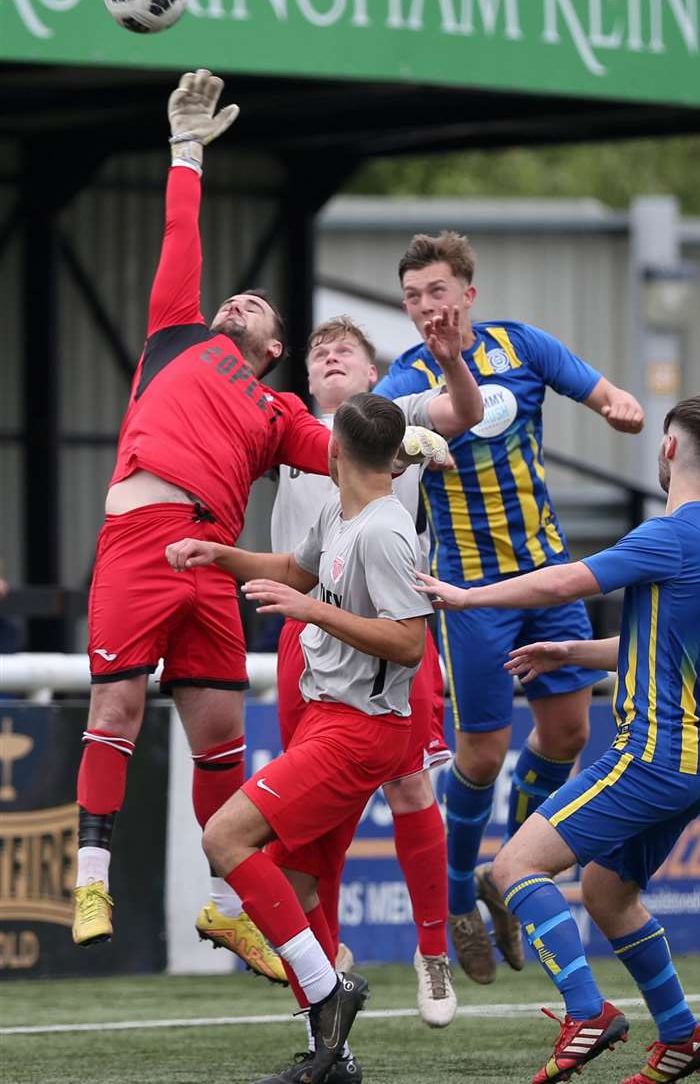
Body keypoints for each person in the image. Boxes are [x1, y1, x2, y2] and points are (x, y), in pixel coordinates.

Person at [71, 69, 323, 979]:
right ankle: (91, 874)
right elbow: (182, 240)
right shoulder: (179, 334)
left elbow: (350, 453)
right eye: (234, 298)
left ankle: (225, 909)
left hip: (212, 562)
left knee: (222, 735)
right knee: (120, 706)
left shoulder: (281, 412)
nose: (237, 301)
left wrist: (419, 430)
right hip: (140, 542)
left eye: (255, 305)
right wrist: (186, 152)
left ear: (275, 347)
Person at [416, 395, 700, 1084]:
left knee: (512, 871)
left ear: (666, 450)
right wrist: (570, 651)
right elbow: (655, 643)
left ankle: (587, 1011)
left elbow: (567, 578)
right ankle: (683, 1034)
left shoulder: (672, 533)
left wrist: (471, 596)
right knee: (607, 894)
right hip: (698, 759)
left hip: (651, 755)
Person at [374, 230, 645, 983]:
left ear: (468, 292)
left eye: (437, 292)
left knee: (566, 732)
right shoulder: (405, 382)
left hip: (550, 574)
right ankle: (463, 895)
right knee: (483, 754)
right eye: (413, 298)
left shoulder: (521, 346)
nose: (427, 307)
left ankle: (507, 872)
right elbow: (417, 436)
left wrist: (620, 405)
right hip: (474, 593)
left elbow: (601, 390)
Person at [167, 392, 432, 1084]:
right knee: (294, 880)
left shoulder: (384, 531)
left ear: (335, 451)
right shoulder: (340, 514)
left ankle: (327, 994)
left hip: (358, 731)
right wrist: (217, 553)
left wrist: (311, 611)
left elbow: (409, 643)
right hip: (330, 719)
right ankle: (334, 1057)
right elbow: (295, 570)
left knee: (226, 840)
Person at [271, 313, 483, 1029]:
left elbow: (465, 412)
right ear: (304, 380)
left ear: (373, 376)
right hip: (306, 631)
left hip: (390, 625)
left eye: (345, 352)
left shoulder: (403, 414)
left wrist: (448, 371)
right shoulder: (285, 423)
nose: (329, 356)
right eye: (317, 354)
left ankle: (433, 957)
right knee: (309, 820)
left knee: (412, 781)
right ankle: (324, 970)